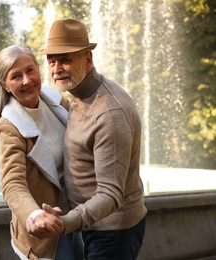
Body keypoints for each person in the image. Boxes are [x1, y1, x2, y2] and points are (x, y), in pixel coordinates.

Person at [28, 18, 147, 259]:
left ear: (88, 59)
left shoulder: (108, 113)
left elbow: (110, 195)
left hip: (114, 231)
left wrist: (65, 223)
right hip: (95, 226)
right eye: (51, 61)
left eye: (66, 59)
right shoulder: (80, 95)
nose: (56, 68)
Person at [0, 45, 82, 260]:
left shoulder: (55, 99)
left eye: (30, 70)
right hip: (47, 229)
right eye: (16, 76)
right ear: (5, 85)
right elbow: (12, 184)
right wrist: (35, 215)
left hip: (78, 214)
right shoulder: (10, 125)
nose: (26, 80)